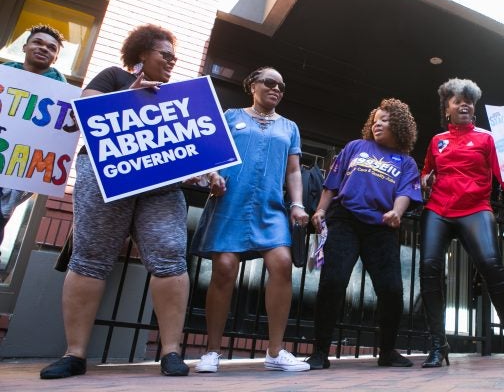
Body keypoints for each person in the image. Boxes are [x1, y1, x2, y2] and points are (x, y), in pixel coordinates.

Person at [39, 24, 190, 379]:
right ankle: (74, 354)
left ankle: (170, 352)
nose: (171, 61)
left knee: (169, 252)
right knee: (90, 255)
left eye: (174, 57)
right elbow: (80, 115)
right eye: (164, 55)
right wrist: (132, 94)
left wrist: (208, 170)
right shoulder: (113, 77)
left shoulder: (177, 95)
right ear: (141, 54)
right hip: (108, 178)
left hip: (161, 185)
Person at [190, 66, 311, 373]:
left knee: (282, 264)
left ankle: (274, 352)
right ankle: (212, 351)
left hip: (270, 206)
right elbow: (208, 156)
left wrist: (296, 203)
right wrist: (212, 175)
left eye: (282, 86)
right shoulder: (231, 116)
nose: (277, 89)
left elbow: (294, 170)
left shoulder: (290, 127)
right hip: (230, 202)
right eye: (270, 83)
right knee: (225, 269)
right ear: (252, 85)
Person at [419, 78, 504, 368]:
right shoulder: (437, 140)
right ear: (446, 108)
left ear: (473, 108)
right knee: (428, 267)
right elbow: (426, 172)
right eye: (456, 100)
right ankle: (438, 345)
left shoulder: (487, 138)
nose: (463, 104)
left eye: (468, 101)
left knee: (491, 264)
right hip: (438, 209)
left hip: (475, 208)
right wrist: (424, 180)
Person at [304, 98, 422, 370]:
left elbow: (406, 192)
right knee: (333, 282)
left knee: (392, 289)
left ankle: (388, 351)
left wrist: (397, 212)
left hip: (381, 226)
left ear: (400, 127)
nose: (378, 123)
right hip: (344, 219)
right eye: (376, 119)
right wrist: (321, 211)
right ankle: (320, 351)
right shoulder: (355, 147)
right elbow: (331, 184)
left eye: (386, 120)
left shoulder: (406, 163)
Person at [1, 24, 68, 246]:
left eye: (51, 47)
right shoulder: (4, 76)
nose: (43, 49)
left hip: (20, 169)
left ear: (55, 58)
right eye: (38, 42)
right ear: (25, 47)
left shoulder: (64, 94)